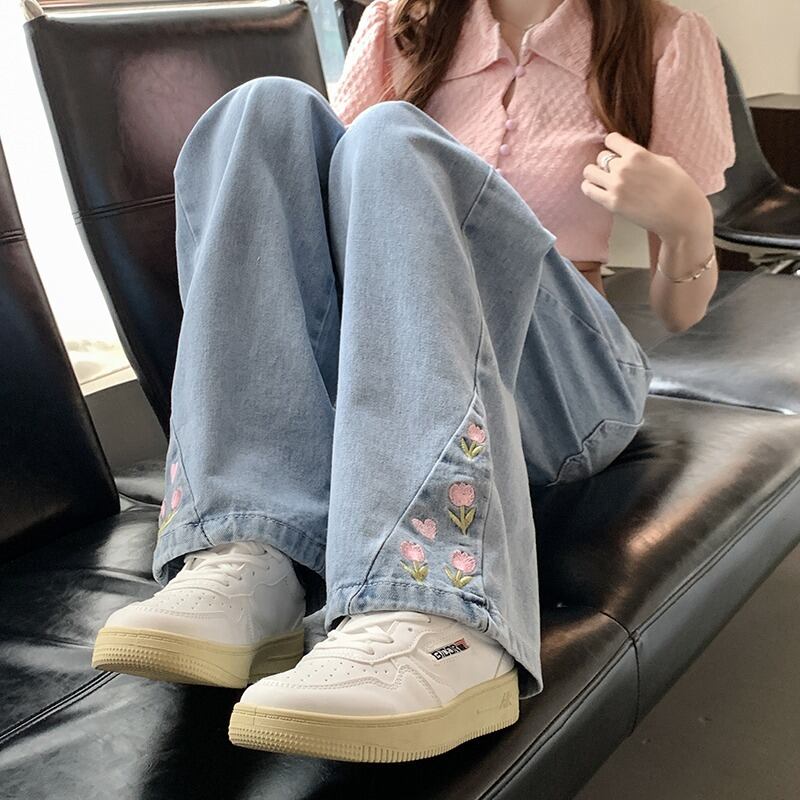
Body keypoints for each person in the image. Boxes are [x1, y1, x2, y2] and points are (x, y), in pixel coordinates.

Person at [91, 0, 735, 762]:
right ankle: (252, 548)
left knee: (393, 137)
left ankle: (437, 610)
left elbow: (681, 310)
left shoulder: (663, 40)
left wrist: (687, 222)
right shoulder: (403, 23)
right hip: (411, 350)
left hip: (563, 378)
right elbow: (327, 199)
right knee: (261, 111)